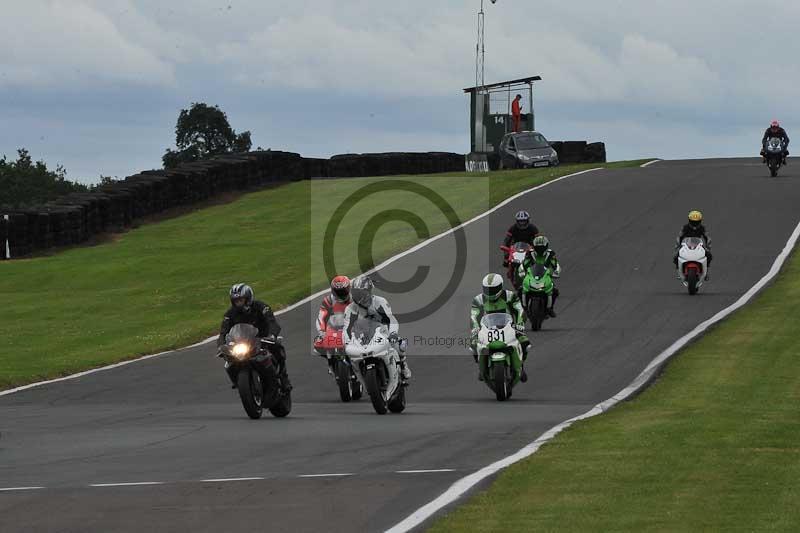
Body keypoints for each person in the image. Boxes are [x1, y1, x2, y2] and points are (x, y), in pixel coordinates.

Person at [217, 283, 291, 390]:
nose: (238, 303)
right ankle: (238, 382)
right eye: (236, 301)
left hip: (263, 339)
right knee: (229, 361)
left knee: (277, 347)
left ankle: (284, 378)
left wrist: (272, 335)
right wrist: (221, 344)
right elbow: (223, 331)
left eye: (241, 300)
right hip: (242, 342)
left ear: (248, 298)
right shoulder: (230, 314)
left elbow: (272, 322)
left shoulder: (261, 307)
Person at [342, 276, 411, 381]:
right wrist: (346, 342)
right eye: (356, 293)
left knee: (399, 344)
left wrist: (393, 333)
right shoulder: (350, 308)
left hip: (381, 331)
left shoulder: (380, 302)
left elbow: (391, 319)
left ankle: (403, 364)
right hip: (361, 335)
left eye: (361, 293)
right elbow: (346, 328)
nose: (358, 296)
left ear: (369, 291)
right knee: (347, 354)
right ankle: (355, 375)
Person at [470, 273, 531, 382]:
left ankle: (521, 365)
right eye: (487, 289)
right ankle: (481, 367)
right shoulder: (478, 300)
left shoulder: (510, 296)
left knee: (524, 342)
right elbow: (473, 315)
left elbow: (519, 310)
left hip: (508, 326)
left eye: (493, 289)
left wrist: (520, 324)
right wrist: (475, 328)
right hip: (487, 328)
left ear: (501, 286)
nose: (490, 292)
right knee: (473, 344)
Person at [520, 235, 561, 317]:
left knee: (555, 291)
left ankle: (550, 308)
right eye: (538, 248)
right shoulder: (530, 254)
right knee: (520, 290)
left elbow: (556, 264)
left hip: (545, 276)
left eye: (542, 247)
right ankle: (524, 308)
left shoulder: (550, 254)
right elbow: (523, 264)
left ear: (546, 246)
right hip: (532, 276)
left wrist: (556, 272)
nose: (540, 250)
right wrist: (521, 271)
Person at [673, 210, 712, 281]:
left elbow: (707, 237)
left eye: (696, 222)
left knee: (709, 255)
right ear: (689, 220)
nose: (695, 224)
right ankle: (679, 272)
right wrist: (678, 245)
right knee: (676, 256)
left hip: (699, 244)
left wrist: (708, 246)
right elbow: (680, 236)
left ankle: (706, 272)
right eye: (693, 222)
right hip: (686, 244)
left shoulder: (702, 228)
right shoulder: (685, 227)